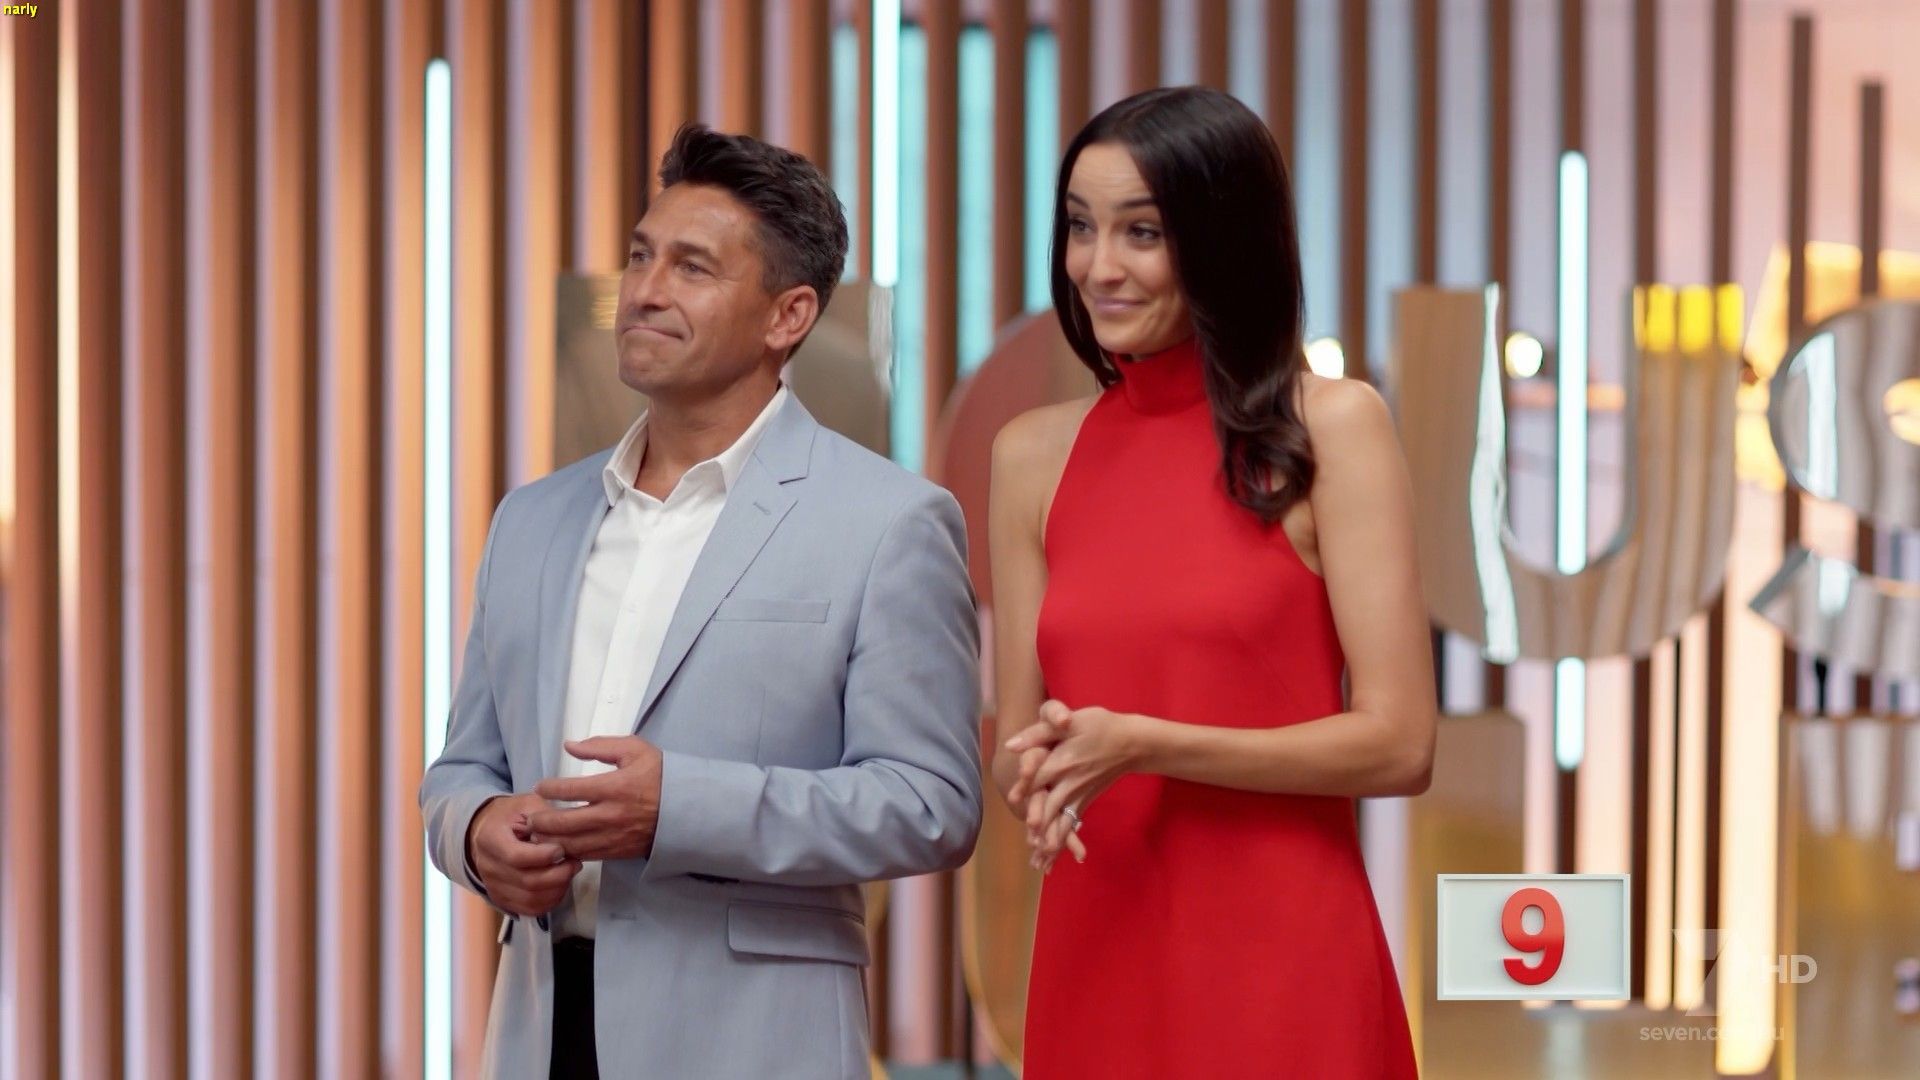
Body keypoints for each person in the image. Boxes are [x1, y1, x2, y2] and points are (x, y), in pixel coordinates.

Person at [421, 123, 983, 1080]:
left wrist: (680, 807)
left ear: (787, 316)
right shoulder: (531, 519)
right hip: (540, 1026)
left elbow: (931, 802)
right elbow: (464, 763)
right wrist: (473, 833)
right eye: (641, 255)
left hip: (753, 1041)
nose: (644, 290)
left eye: (691, 267)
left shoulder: (889, 522)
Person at [987, 86, 1433, 1077]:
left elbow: (1402, 744)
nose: (1098, 266)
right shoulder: (1030, 457)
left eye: (1141, 232)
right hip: (1097, 953)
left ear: (1223, 241)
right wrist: (1047, 769)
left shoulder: (1333, 428)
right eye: (1080, 227)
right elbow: (1019, 756)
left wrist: (1146, 744)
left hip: (1284, 965)